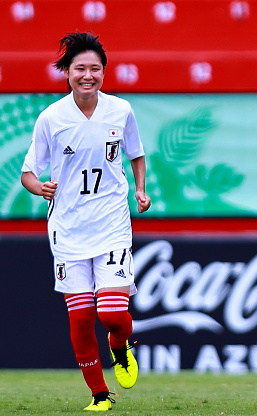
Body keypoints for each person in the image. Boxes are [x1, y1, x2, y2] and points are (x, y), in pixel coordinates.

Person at [21, 31, 151, 412]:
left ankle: (120, 345)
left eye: (95, 69)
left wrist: (140, 189)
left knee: (111, 314)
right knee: (80, 319)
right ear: (67, 72)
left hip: (111, 223)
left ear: (104, 72)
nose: (88, 75)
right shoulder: (51, 118)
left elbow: (136, 155)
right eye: (80, 68)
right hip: (68, 229)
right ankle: (99, 395)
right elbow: (29, 172)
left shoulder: (121, 111)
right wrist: (39, 188)